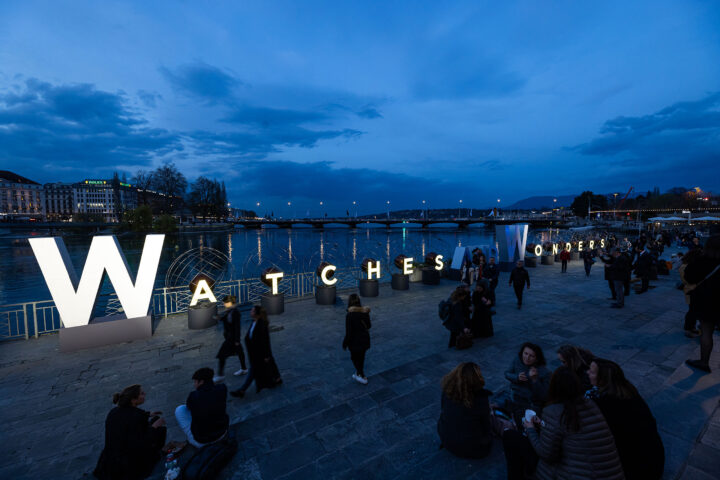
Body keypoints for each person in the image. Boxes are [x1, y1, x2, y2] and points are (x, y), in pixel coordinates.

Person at [522, 366, 625, 480]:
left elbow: (546, 454)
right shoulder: (591, 405)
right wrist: (544, 425)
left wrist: (530, 429)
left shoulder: (554, 411)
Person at [586, 358, 664, 479]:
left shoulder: (606, 404)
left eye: (591, 372)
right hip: (653, 456)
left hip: (637, 468)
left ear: (602, 379)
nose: (587, 373)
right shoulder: (627, 390)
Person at [94, 385, 167, 480]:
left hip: (110, 459)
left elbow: (128, 418)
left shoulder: (113, 412)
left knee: (154, 419)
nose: (144, 394)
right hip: (128, 463)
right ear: (133, 400)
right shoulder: (135, 417)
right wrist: (155, 426)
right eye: (141, 394)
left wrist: (148, 414)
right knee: (160, 429)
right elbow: (140, 441)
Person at [437, 362, 493, 459]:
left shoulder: (447, 392)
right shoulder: (480, 400)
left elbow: (444, 410)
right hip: (471, 449)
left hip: (446, 440)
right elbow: (486, 426)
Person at [685, 235, 720, 373]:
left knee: (706, 331)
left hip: (707, 301)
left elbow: (689, 276)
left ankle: (704, 362)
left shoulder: (702, 260)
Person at [230, 305, 282, 397]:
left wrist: (266, 355)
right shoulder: (254, 322)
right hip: (255, 353)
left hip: (259, 353)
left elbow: (265, 341)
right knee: (267, 366)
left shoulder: (262, 325)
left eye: (253, 311)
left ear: (257, 314)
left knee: (253, 370)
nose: (251, 312)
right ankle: (277, 378)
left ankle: (242, 390)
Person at [175, 368, 228, 448]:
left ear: (201, 382)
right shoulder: (222, 388)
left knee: (180, 410)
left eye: (195, 382)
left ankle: (193, 440)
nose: (194, 384)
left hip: (202, 441)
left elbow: (189, 407)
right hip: (222, 433)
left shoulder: (194, 396)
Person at [504, 342, 550, 425]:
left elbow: (544, 396)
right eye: (525, 353)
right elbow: (507, 374)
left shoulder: (545, 372)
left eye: (531, 356)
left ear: (537, 358)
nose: (527, 358)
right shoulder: (517, 360)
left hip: (531, 403)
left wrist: (535, 380)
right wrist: (517, 377)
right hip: (515, 395)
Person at [213, 295, 247, 383]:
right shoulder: (230, 310)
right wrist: (220, 318)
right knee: (240, 352)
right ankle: (244, 369)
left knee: (221, 355)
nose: (224, 304)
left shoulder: (235, 312)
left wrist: (237, 340)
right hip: (231, 338)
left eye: (225, 303)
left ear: (230, 303)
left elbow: (237, 327)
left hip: (231, 338)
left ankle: (220, 375)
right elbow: (226, 319)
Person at [342, 293, 371, 385]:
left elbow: (349, 332)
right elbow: (369, 326)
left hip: (354, 341)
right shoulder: (364, 312)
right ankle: (359, 374)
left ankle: (361, 375)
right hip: (364, 339)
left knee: (354, 358)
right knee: (361, 358)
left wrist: (345, 343)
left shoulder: (349, 315)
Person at [678, 249, 703, 337]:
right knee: (692, 310)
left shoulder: (692, 265)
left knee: (694, 310)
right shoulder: (684, 267)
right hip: (691, 290)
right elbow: (686, 280)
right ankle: (688, 328)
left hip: (695, 290)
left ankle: (692, 327)